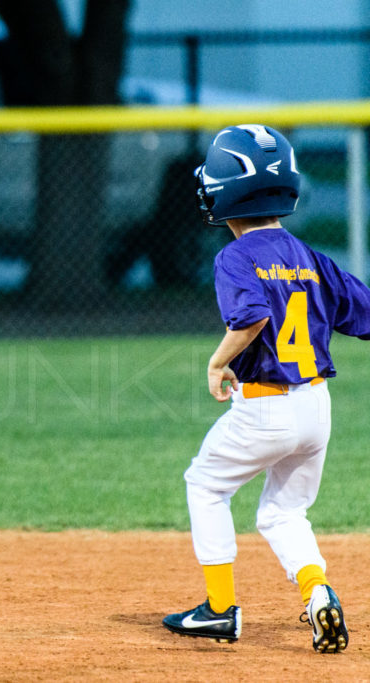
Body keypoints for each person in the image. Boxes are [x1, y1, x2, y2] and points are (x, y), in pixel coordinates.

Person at [162, 124, 370, 653]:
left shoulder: (235, 256)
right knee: (283, 512)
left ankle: (218, 609)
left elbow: (251, 317)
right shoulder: (307, 254)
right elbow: (361, 311)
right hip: (316, 407)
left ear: (229, 190)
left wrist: (215, 363)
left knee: (205, 485)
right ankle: (317, 590)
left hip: (264, 405)